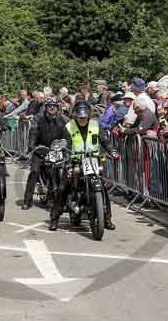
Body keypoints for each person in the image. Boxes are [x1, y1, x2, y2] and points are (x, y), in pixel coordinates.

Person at [54, 101, 117, 231]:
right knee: (63, 188)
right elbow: (66, 143)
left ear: (88, 115)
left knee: (103, 188)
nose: (82, 120)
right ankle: (54, 218)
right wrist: (65, 154)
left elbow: (104, 140)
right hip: (75, 161)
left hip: (93, 160)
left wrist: (112, 150)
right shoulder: (69, 126)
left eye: (84, 117)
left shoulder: (96, 125)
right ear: (75, 115)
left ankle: (107, 219)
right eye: (80, 117)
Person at [23, 97, 68, 210]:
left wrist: (68, 145)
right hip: (40, 149)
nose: (52, 107)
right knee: (34, 171)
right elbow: (33, 131)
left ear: (57, 108)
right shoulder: (38, 118)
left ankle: (62, 200)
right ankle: (27, 201)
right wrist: (31, 145)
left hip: (56, 150)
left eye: (54, 106)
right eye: (49, 105)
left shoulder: (63, 119)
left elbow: (69, 135)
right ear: (46, 107)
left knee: (61, 172)